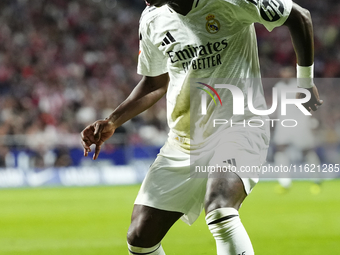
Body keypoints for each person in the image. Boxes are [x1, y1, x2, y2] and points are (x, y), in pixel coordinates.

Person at [81, 0, 323, 254]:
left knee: (220, 208)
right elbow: (154, 83)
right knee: (140, 237)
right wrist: (113, 121)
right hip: (184, 140)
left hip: (239, 126)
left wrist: (305, 82)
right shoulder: (152, 19)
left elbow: (299, 16)